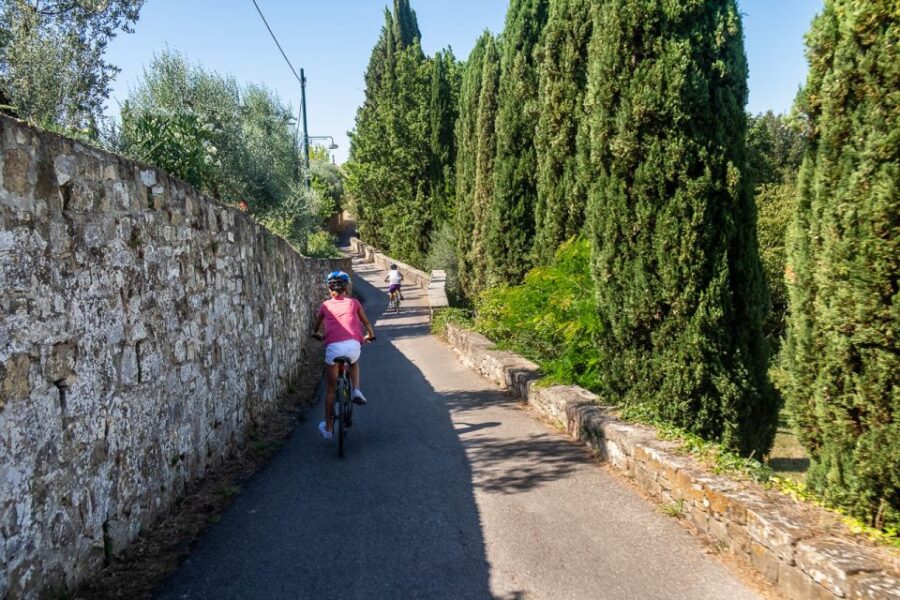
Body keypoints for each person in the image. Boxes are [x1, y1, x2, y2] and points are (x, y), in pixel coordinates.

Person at [311, 270, 375, 440]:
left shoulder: (325, 306)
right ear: (346, 288)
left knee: (331, 390)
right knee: (353, 362)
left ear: (329, 288)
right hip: (353, 346)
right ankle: (356, 390)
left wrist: (317, 334)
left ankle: (329, 427)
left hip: (333, 349)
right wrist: (370, 334)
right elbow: (365, 322)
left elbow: (316, 328)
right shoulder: (354, 303)